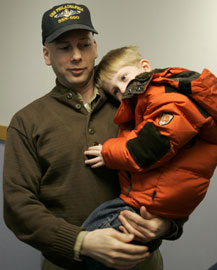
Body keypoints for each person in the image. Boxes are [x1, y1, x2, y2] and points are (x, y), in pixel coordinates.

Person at [3, 4, 186, 270]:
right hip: (68, 264)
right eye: (64, 48)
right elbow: (17, 206)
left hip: (142, 261)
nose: (76, 56)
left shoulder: (135, 105)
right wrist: (82, 242)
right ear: (46, 54)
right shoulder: (26, 121)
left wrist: (169, 224)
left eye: (84, 45)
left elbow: (178, 172)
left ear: (95, 48)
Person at [83, 45, 217, 268]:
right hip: (151, 198)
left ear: (145, 67)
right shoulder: (145, 104)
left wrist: (108, 152)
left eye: (124, 77)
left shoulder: (167, 97)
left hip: (150, 201)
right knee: (98, 237)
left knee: (94, 236)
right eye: (115, 91)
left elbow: (152, 146)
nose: (123, 90)